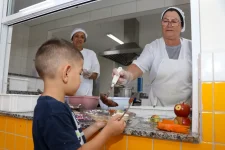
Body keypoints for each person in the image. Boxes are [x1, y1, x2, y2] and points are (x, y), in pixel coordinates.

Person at [33, 38, 126, 150]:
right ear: (66, 73)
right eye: (79, 73)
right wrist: (108, 131)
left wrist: (95, 126)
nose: (81, 80)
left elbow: (73, 141)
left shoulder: (54, 105)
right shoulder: (54, 111)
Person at [113, 7, 192, 107]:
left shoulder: (192, 47)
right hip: (158, 109)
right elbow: (139, 66)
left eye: (174, 21)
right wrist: (127, 75)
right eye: (165, 21)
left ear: (181, 26)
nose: (169, 25)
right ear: (161, 24)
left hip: (185, 110)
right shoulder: (153, 47)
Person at [70, 28, 100, 96]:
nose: (79, 39)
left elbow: (96, 74)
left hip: (85, 94)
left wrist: (89, 75)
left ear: (84, 40)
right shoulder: (66, 53)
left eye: (82, 37)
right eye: (76, 36)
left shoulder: (91, 54)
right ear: (72, 39)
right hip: (68, 94)